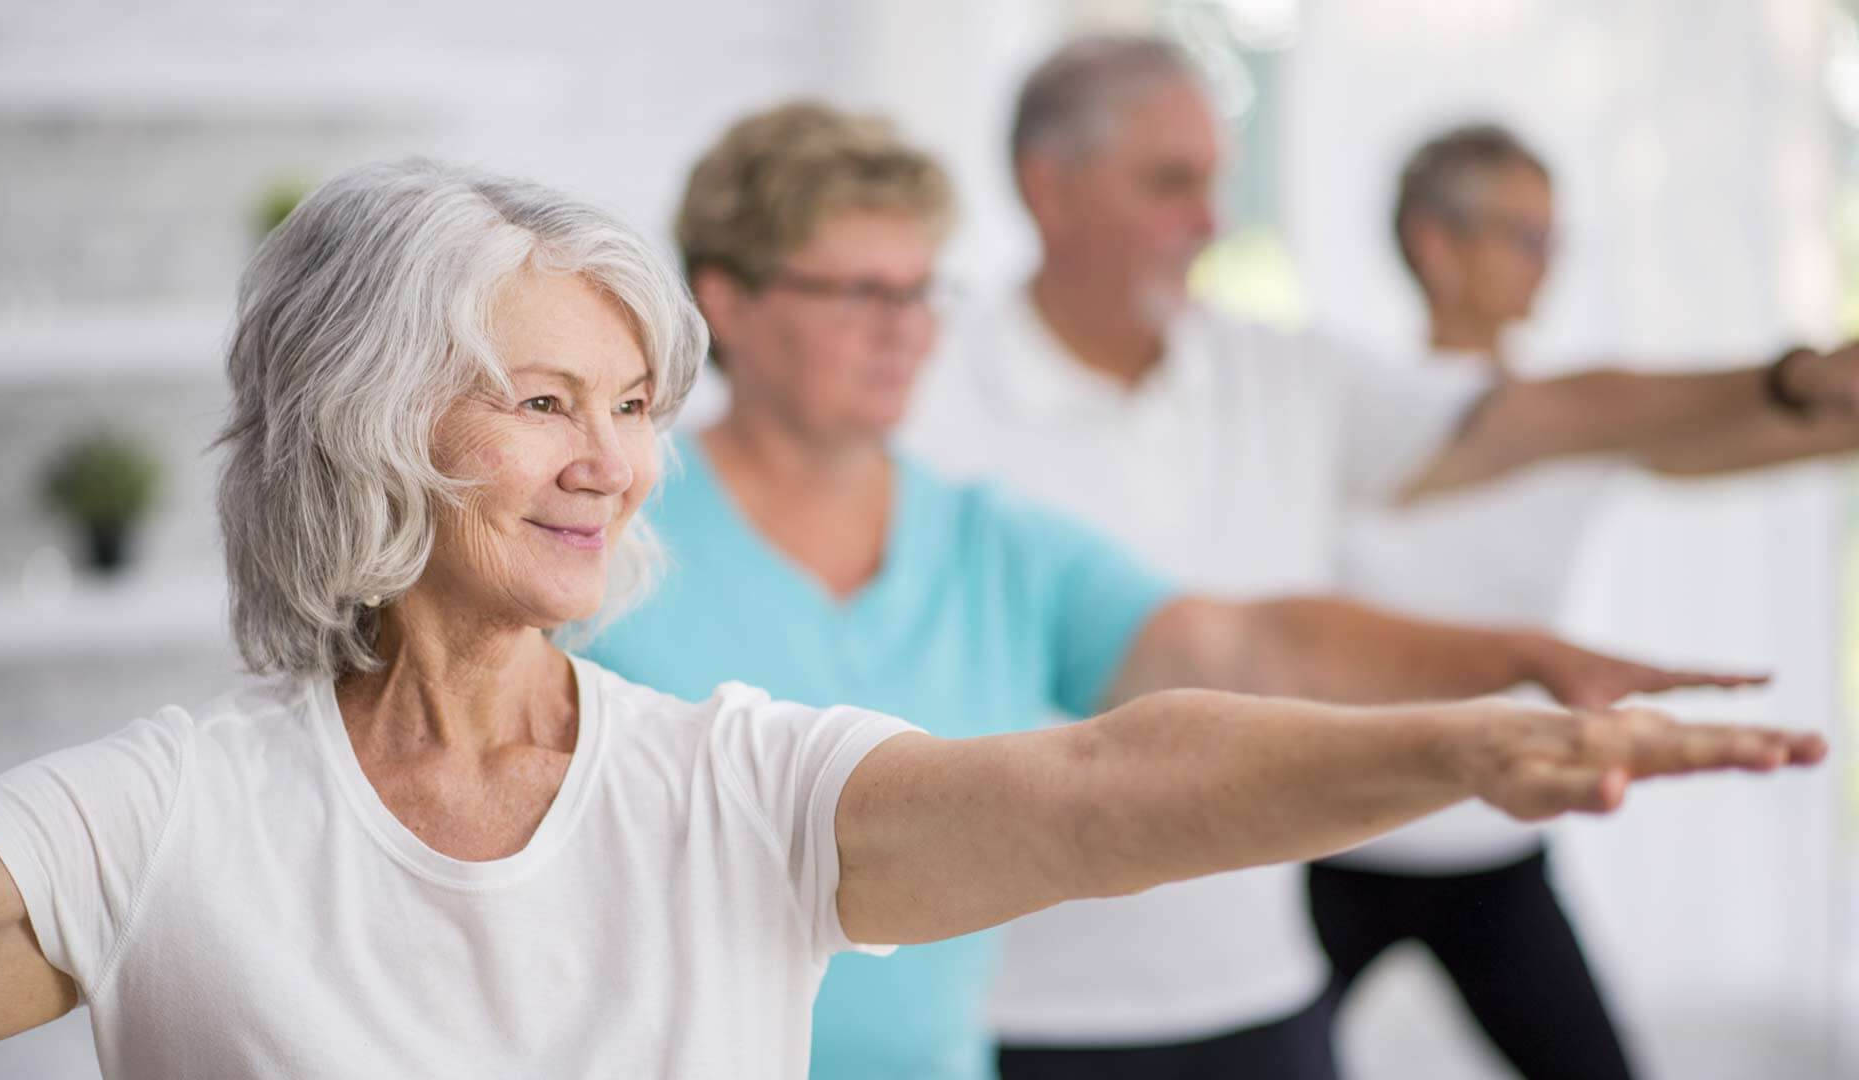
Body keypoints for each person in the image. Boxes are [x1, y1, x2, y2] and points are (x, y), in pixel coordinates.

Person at [0, 157, 1818, 1080]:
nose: (611, 465)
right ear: (362, 419)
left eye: (631, 408)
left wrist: (1471, 742)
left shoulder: (728, 789)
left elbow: (1105, 779)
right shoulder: (176, 810)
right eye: (540, 402)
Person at [573, 102, 1783, 1080]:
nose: (904, 331)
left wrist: (1513, 661)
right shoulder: (604, 537)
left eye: (921, 291)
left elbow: (1243, 643)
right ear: (726, 301)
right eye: (858, 293)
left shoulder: (990, 541)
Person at [902, 35, 1859, 1080]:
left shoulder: (1280, 374)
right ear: (1050, 188)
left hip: (1251, 985)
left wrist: (1794, 384)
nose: (1211, 222)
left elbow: (1551, 415)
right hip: (1017, 1002)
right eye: (1171, 184)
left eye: (1216, 182)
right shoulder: (923, 387)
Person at [1306, 122, 1859, 1080]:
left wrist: (1823, 393)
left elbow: (1782, 434)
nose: (1545, 265)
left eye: (1553, 239)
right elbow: (1568, 413)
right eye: (1524, 237)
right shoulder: (1353, 403)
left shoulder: (1584, 422)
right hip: (1337, 838)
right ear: (1436, 245)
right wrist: (1796, 373)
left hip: (1493, 839)